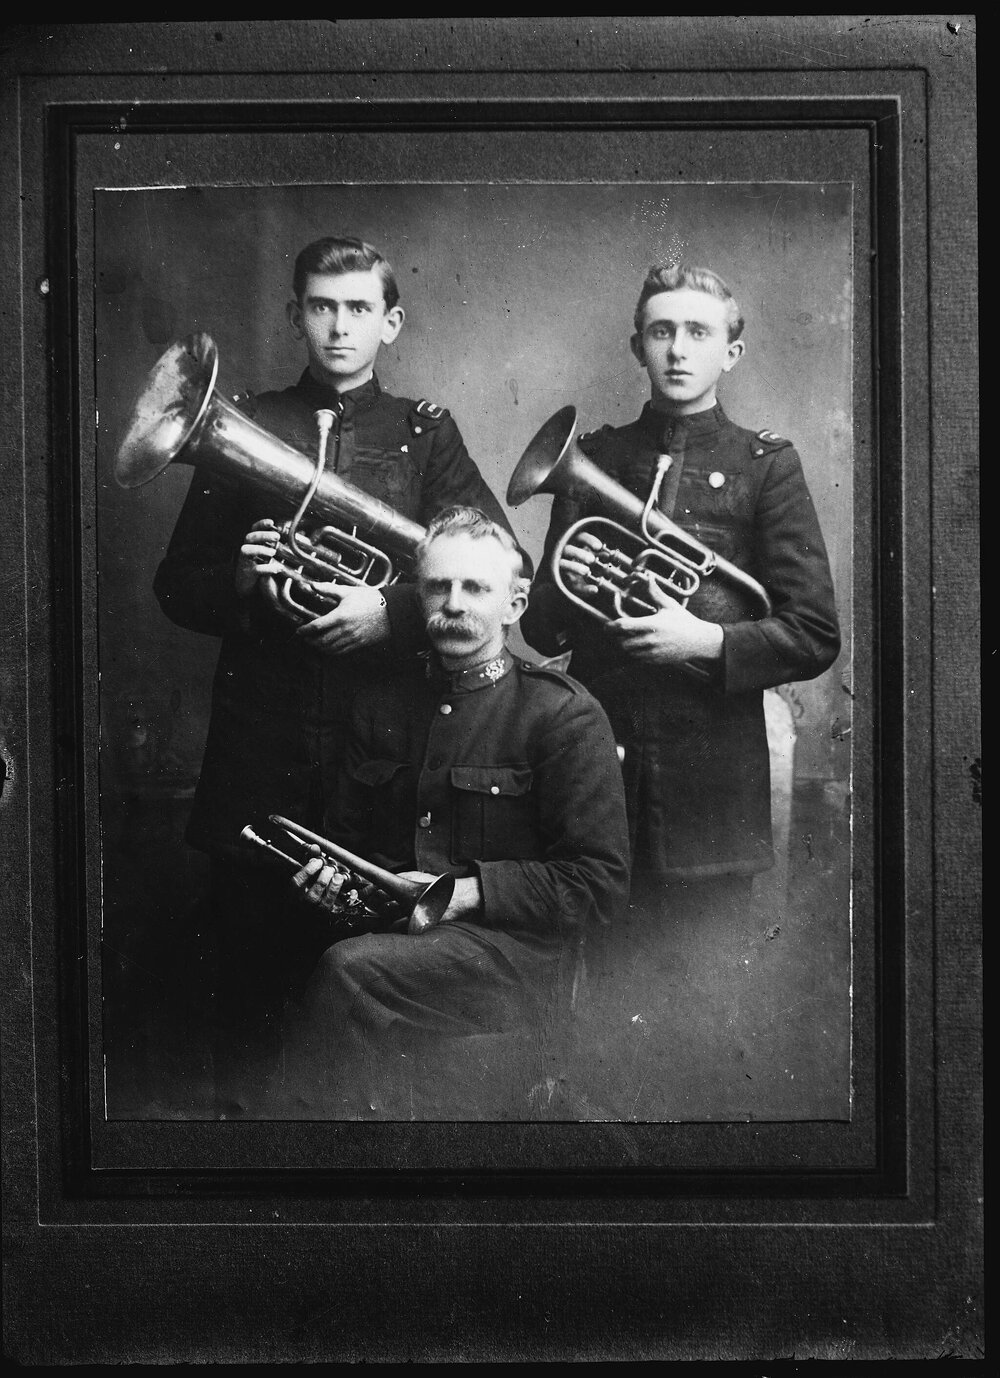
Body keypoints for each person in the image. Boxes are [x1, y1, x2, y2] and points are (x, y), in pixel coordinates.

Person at [151, 236, 516, 1114]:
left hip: (378, 744)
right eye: (321, 306)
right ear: (295, 315)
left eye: (358, 308)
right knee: (246, 983)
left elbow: (499, 564)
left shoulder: (426, 433)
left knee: (355, 989)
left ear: (390, 322)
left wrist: (385, 613)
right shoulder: (245, 417)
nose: (338, 326)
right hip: (261, 742)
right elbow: (177, 588)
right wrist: (243, 584)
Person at [519, 264, 841, 1114]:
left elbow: (812, 632)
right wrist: (573, 577)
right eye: (662, 331)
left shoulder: (767, 465)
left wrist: (708, 640)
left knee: (701, 1015)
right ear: (637, 345)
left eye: (699, 332)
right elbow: (546, 629)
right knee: (591, 1002)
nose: (678, 349)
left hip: (710, 783)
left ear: (730, 350)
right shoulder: (596, 459)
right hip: (596, 767)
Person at [262, 507, 631, 1120]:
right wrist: (331, 888)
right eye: (438, 586)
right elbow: (351, 845)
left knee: (351, 973)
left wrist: (462, 894)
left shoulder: (562, 714)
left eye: (476, 588)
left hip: (512, 957)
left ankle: (310, 1173)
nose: (453, 604)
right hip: (401, 938)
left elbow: (600, 884)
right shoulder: (382, 703)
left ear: (514, 605)